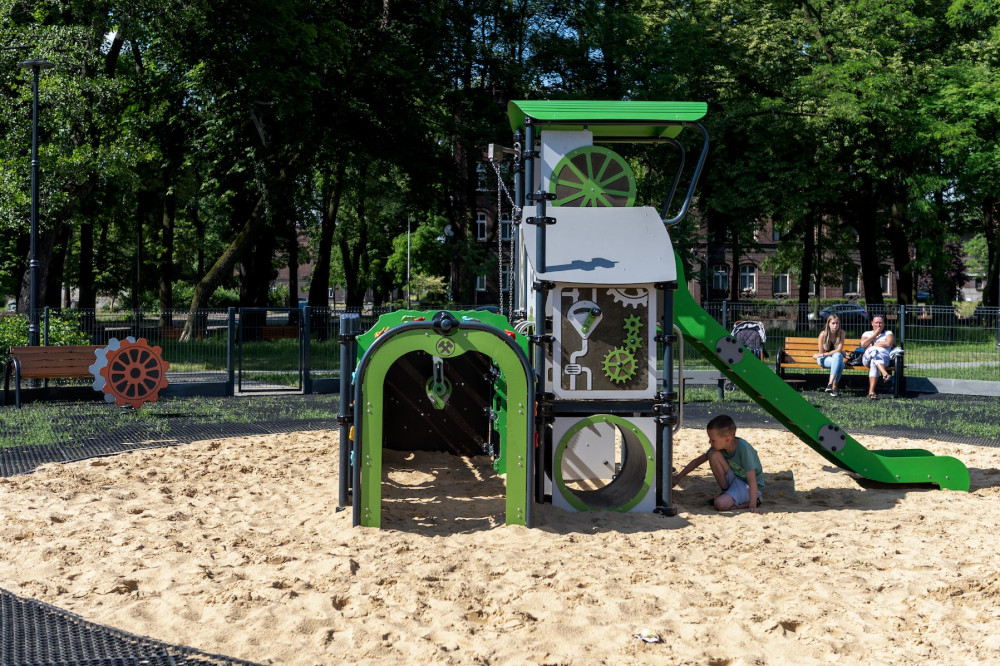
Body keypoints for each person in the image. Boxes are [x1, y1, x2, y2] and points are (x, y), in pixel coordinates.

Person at [672, 414, 764, 513]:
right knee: (713, 455)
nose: (709, 442)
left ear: (727, 439)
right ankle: (726, 492)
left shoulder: (744, 449)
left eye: (713, 440)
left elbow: (752, 480)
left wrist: (753, 506)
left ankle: (753, 501)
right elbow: (697, 461)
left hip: (748, 486)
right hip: (735, 479)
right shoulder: (721, 446)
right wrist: (678, 478)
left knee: (720, 504)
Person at [860, 314, 894, 399]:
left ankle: (871, 392)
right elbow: (863, 344)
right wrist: (875, 335)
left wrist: (872, 344)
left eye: (880, 323)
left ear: (884, 324)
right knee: (874, 352)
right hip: (866, 359)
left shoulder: (888, 333)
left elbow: (888, 343)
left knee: (874, 361)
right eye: (876, 323)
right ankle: (884, 373)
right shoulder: (867, 333)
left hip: (884, 360)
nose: (878, 325)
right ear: (872, 323)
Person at [814, 314, 846, 397]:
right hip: (823, 359)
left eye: (837, 323)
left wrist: (829, 353)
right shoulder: (823, 334)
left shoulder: (841, 333)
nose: (835, 325)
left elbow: (839, 350)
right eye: (833, 323)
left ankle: (830, 384)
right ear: (828, 324)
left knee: (838, 356)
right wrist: (826, 354)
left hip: (832, 357)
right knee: (841, 363)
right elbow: (821, 353)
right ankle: (834, 387)